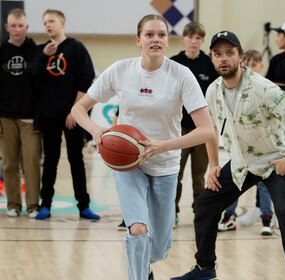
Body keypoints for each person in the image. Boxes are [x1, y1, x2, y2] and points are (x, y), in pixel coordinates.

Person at [71, 14, 215, 280]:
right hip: (128, 164)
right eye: (149, 34)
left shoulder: (181, 75)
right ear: (139, 41)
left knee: (158, 248)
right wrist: (96, 131)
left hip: (166, 164)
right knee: (137, 230)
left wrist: (163, 146)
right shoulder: (121, 69)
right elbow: (79, 108)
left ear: (167, 41)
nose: (156, 39)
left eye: (161, 34)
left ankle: (145, 266)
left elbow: (207, 130)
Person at [171, 30, 285, 280]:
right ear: (212, 58)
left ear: (240, 57)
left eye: (230, 53)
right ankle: (205, 269)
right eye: (218, 54)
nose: (223, 58)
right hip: (243, 163)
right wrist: (214, 165)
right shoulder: (213, 90)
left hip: (275, 160)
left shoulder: (262, 88)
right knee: (206, 205)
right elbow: (212, 128)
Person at [31, 9, 99, 220]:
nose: (48, 25)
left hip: (72, 115)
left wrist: (75, 111)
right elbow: (34, 77)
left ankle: (84, 206)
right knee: (50, 160)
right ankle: (46, 205)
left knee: (76, 160)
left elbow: (86, 78)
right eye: (45, 23)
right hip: (49, 114)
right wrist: (44, 57)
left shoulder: (76, 48)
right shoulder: (42, 50)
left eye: (51, 21)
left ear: (62, 23)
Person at [218, 49, 275, 236]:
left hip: (264, 149)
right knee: (236, 181)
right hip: (242, 149)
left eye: (254, 65)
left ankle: (266, 218)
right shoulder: (236, 91)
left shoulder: (267, 89)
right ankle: (229, 215)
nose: (250, 68)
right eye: (247, 65)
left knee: (263, 184)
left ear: (261, 67)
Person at [170, 21, 219, 228]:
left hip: (202, 129)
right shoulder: (173, 63)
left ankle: (200, 213)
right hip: (178, 129)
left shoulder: (209, 64)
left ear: (202, 41)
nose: (194, 41)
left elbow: (218, 93)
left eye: (198, 38)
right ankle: (172, 213)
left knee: (199, 176)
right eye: (190, 37)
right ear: (184, 39)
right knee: (175, 174)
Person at [0, 8, 41, 218]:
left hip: (30, 117)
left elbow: (42, 84)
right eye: (13, 26)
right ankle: (13, 204)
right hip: (5, 117)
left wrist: (38, 115)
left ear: (26, 27)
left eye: (20, 26)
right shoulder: (1, 49)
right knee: (9, 163)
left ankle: (33, 205)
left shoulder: (35, 50)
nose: (17, 29)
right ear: (7, 27)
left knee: (32, 163)